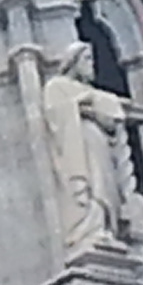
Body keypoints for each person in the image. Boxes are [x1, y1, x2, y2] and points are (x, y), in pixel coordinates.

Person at [43, 41, 129, 252]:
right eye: (87, 59)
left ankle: (105, 229)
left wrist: (89, 101)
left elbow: (112, 117)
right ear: (74, 61)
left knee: (104, 186)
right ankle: (88, 230)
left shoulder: (92, 92)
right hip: (78, 147)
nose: (92, 64)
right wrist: (83, 103)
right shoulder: (58, 86)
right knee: (90, 184)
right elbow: (55, 114)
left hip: (98, 143)